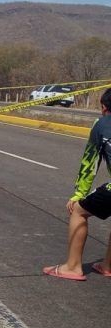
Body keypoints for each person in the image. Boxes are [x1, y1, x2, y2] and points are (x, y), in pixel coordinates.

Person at [43, 88, 111, 281]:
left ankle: (72, 267)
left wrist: (79, 194)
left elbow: (90, 162)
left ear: (104, 107)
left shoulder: (102, 125)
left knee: (79, 211)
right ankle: (108, 265)